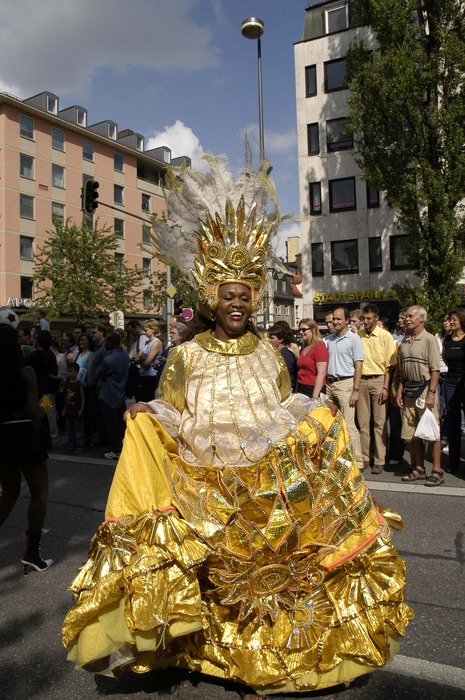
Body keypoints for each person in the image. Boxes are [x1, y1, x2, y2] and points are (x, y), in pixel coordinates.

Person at [63, 157, 412, 697]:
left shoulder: (270, 356)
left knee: (267, 565)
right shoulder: (186, 356)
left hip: (261, 482)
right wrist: (148, 415)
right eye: (229, 296)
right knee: (216, 570)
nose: (238, 304)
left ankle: (265, 661)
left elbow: (280, 411)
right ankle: (201, 653)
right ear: (211, 299)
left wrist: (313, 415)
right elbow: (176, 412)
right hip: (203, 482)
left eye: (245, 296)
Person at [0, 324, 53, 574]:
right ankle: (32, 553)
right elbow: (34, 413)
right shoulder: (26, 371)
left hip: (2, 436)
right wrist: (46, 405)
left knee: (8, 493)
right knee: (39, 493)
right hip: (25, 434)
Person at [397, 305, 442, 486]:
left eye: (411, 316)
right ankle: (418, 467)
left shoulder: (429, 339)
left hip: (425, 389)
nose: (407, 319)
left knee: (431, 432)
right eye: (406, 316)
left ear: (422, 318)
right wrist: (400, 389)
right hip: (409, 389)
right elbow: (402, 371)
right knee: (412, 432)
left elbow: (435, 369)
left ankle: (437, 469)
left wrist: (431, 393)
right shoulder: (405, 341)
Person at [357, 304, 397, 474]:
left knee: (379, 423)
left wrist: (386, 387)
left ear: (376, 318)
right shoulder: (358, 336)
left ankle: (380, 460)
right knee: (363, 423)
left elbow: (389, 366)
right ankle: (366, 457)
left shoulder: (385, 336)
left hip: (379, 379)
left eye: (369, 318)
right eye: (363, 318)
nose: (365, 322)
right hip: (362, 381)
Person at [325, 307, 365, 472]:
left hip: (346, 384)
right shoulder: (329, 339)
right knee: (332, 425)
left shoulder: (354, 339)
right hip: (330, 384)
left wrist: (355, 390)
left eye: (338, 319)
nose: (335, 322)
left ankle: (358, 461)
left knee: (349, 425)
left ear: (347, 320)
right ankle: (338, 458)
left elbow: (359, 366)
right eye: (333, 319)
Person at [94, 331, 129, 460]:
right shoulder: (124, 355)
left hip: (108, 394)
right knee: (120, 424)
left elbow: (97, 373)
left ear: (111, 343)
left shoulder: (109, 359)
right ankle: (122, 446)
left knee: (111, 424)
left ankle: (115, 450)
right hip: (120, 392)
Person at [441, 308, 465, 474]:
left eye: (453, 320)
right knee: (453, 421)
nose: (450, 322)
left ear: (461, 321)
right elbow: (445, 357)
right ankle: (453, 461)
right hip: (450, 380)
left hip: (464, 380)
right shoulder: (447, 339)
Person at [296, 318, 327, 397]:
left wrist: (315, 396)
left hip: (313, 388)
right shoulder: (304, 347)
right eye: (299, 330)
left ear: (313, 330)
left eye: (304, 330)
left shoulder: (319, 346)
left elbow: (321, 373)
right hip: (301, 388)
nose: (301, 332)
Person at [134, 318, 163, 402]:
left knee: (146, 401)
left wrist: (141, 360)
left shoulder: (156, 343)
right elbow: (138, 356)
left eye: (146, 330)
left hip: (150, 376)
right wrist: (141, 359)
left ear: (153, 329)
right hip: (143, 375)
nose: (145, 332)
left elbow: (146, 363)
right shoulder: (147, 342)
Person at [62, 362, 85, 454]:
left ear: (77, 372)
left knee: (78, 429)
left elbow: (83, 397)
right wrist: (64, 409)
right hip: (68, 409)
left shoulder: (79, 384)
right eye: (68, 371)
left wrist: (81, 409)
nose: (69, 373)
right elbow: (65, 397)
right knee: (70, 430)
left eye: (71, 371)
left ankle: (80, 446)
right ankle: (70, 445)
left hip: (76, 409)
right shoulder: (67, 383)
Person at [267, 322, 297, 388]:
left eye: (272, 338)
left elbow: (284, 375)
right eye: (268, 337)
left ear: (281, 339)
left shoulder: (286, 355)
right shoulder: (274, 353)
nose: (268, 340)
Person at [127, 320, 149, 402]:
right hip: (138, 370)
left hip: (139, 370)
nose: (132, 334)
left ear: (137, 328)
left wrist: (133, 358)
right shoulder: (138, 339)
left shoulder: (143, 338)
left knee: (141, 397)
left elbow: (141, 353)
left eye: (132, 331)